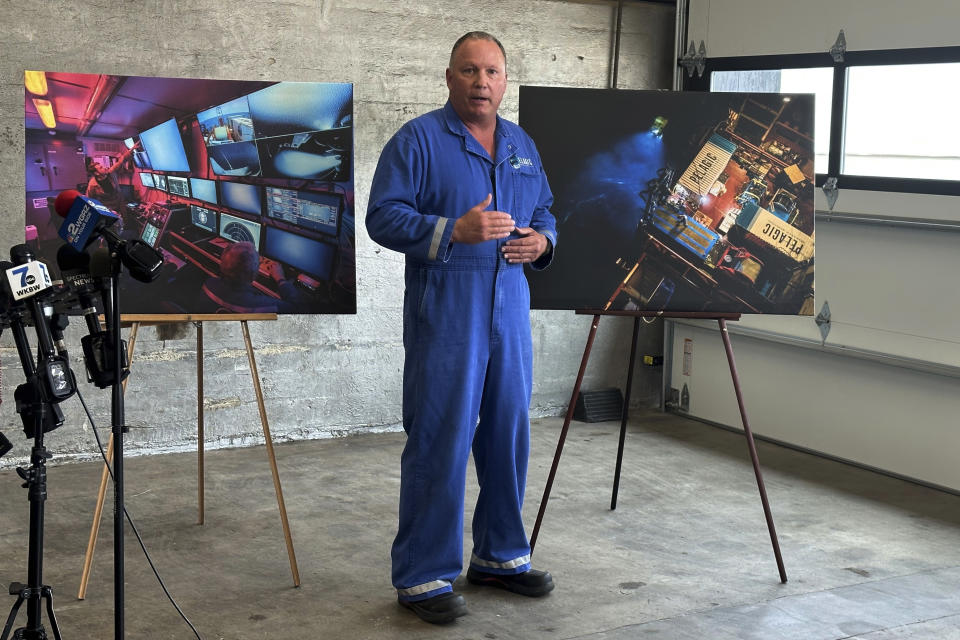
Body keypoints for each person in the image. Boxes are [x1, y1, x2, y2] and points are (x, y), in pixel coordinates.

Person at [366, 31, 558, 624]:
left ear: (505, 81)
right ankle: (424, 575)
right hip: (447, 307)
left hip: (511, 306)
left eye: (493, 72)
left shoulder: (522, 144)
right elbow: (382, 217)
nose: (482, 82)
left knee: (508, 431)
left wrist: (542, 239)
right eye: (470, 71)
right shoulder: (418, 140)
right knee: (440, 436)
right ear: (449, 77)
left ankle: (500, 556)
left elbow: (547, 208)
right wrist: (453, 230)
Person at [201, 241, 298, 313]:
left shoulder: (209, 284)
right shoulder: (265, 306)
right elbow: (299, 309)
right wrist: (280, 278)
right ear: (253, 275)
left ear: (222, 265)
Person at [85, 142, 138, 212]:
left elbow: (121, 161)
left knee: (125, 220)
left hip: (120, 203)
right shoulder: (92, 184)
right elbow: (89, 200)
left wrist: (132, 149)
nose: (104, 167)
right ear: (96, 173)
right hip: (107, 209)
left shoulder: (110, 172)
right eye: (101, 168)